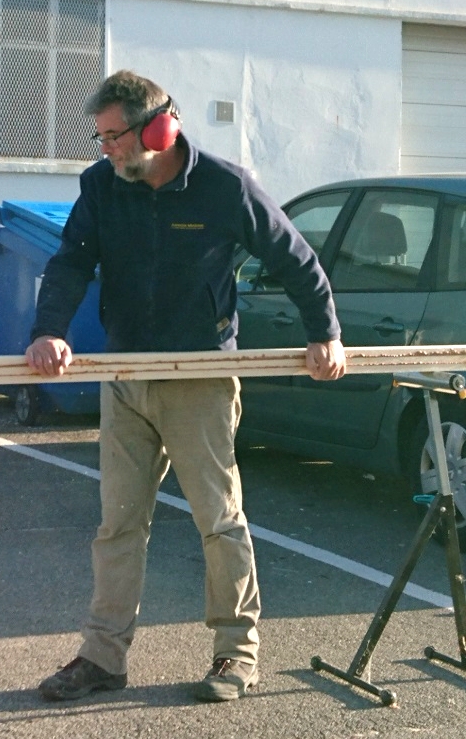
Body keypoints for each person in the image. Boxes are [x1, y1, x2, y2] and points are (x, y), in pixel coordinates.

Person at [26, 70, 346, 703]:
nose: (106, 149)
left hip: (199, 377)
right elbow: (70, 262)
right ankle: (103, 657)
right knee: (117, 526)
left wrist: (325, 333)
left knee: (219, 522)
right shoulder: (101, 186)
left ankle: (236, 654)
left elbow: (294, 257)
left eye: (115, 136)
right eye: (100, 138)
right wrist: (48, 331)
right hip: (126, 376)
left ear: (159, 129)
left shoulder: (226, 187)